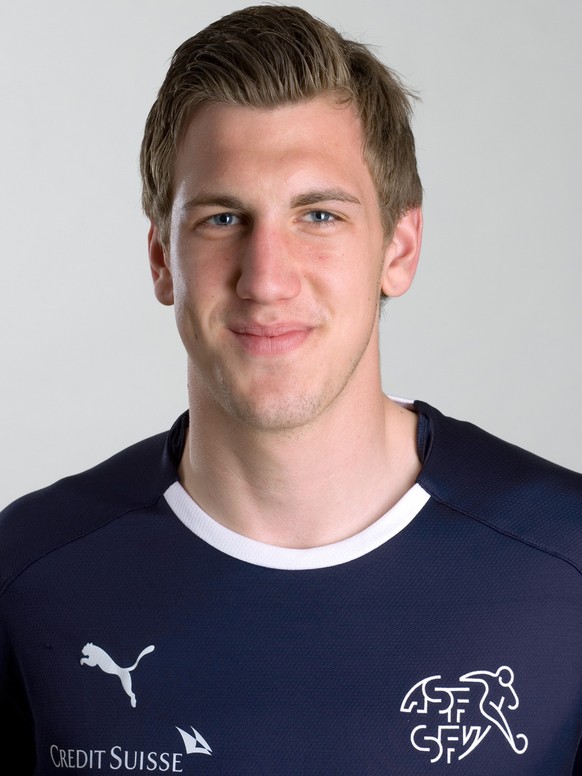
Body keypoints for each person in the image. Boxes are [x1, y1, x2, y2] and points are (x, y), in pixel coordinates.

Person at [1, 5, 580, 773]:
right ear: (160, 259)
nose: (266, 277)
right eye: (221, 217)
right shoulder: (29, 574)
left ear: (398, 249)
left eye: (318, 214)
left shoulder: (565, 565)